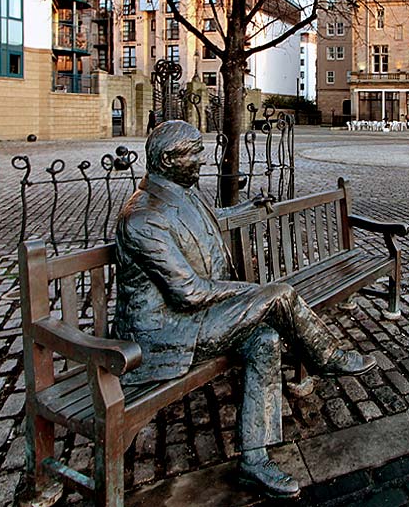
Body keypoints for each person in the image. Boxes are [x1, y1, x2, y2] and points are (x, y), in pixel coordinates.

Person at [114, 120, 376, 499]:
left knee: (266, 339)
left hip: (198, 319)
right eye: (194, 152)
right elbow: (188, 293)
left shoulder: (178, 193)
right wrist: (251, 293)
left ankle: (254, 460)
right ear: (170, 159)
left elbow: (202, 227)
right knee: (279, 295)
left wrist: (244, 209)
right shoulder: (142, 217)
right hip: (165, 335)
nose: (203, 159)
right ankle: (326, 355)